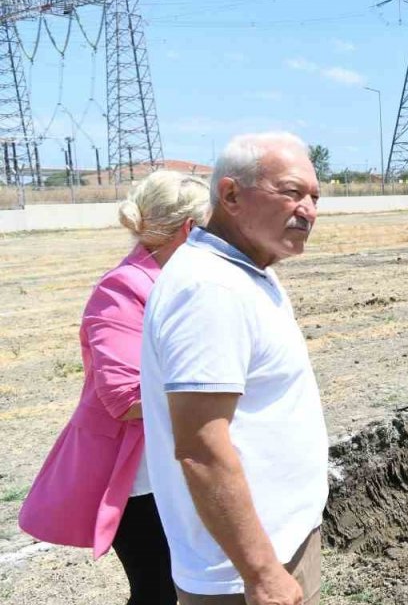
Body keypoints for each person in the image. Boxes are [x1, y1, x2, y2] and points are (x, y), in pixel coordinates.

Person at [139, 132, 327, 605]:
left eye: (314, 197)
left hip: (275, 546)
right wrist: (262, 572)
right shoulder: (210, 290)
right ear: (230, 196)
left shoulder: (247, 271)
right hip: (240, 574)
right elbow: (202, 448)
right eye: (290, 191)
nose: (307, 209)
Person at [19, 170, 211, 605]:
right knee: (159, 591)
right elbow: (124, 399)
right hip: (139, 477)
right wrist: (216, 391)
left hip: (173, 464)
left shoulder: (182, 283)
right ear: (189, 229)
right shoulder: (121, 289)